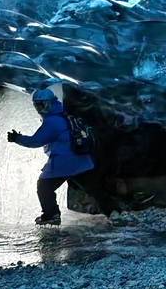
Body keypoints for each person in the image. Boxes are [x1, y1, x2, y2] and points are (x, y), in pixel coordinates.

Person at [7, 88, 118, 225]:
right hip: (81, 159)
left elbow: (35, 141)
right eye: (37, 106)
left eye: (41, 105)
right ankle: (115, 211)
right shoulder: (63, 115)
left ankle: (51, 215)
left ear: (49, 103)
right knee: (93, 187)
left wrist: (17, 138)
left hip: (64, 162)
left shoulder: (52, 122)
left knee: (44, 186)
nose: (39, 109)